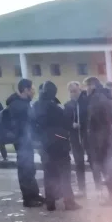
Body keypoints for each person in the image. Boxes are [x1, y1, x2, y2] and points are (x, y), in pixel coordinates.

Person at [33, 80, 79, 212]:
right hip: (59, 143)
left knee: (49, 173)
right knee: (65, 173)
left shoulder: (36, 105)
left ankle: (50, 202)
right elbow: (66, 122)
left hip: (44, 144)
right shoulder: (55, 106)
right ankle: (69, 202)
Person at [3, 78, 44, 207]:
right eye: (32, 89)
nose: (33, 92)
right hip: (22, 141)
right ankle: (28, 198)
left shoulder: (22, 103)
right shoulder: (18, 105)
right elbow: (26, 124)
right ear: (26, 90)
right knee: (25, 169)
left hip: (25, 141)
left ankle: (34, 194)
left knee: (29, 168)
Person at [84, 76, 112, 203]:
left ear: (92, 85)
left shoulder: (97, 99)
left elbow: (94, 121)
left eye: (87, 86)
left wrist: (95, 141)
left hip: (102, 140)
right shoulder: (106, 96)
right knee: (109, 168)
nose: (86, 89)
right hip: (109, 139)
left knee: (107, 168)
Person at [64, 81, 90, 195]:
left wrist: (84, 125)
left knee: (94, 161)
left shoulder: (86, 102)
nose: (73, 94)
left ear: (80, 90)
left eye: (75, 91)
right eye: (71, 91)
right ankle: (82, 188)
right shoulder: (68, 105)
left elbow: (91, 117)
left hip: (87, 136)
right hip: (75, 138)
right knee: (79, 163)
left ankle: (99, 186)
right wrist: (71, 124)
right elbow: (64, 121)